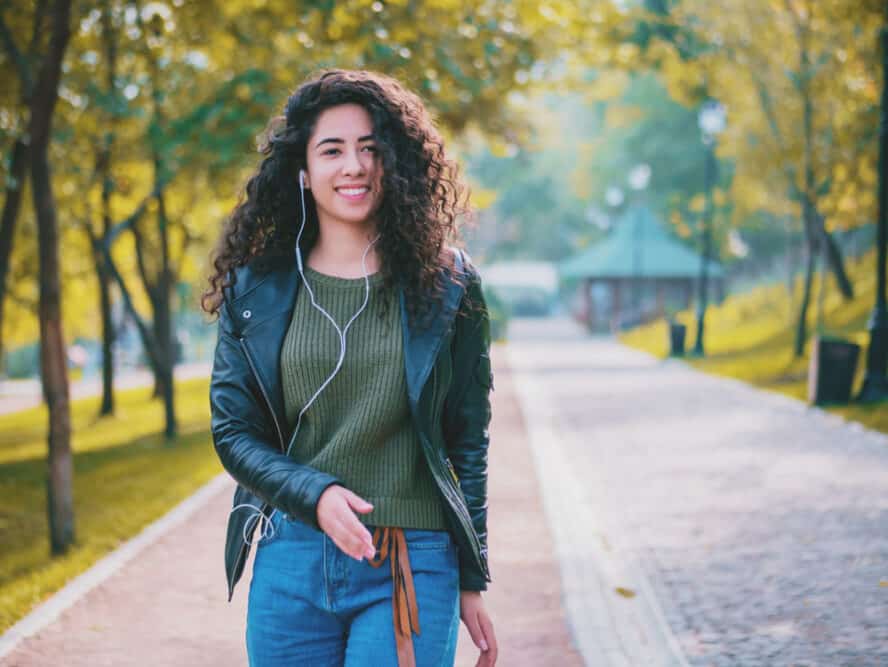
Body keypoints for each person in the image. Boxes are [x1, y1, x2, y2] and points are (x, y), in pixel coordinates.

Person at [202, 69, 497, 667]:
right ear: (304, 174)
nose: (354, 166)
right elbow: (233, 431)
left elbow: (468, 436)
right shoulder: (257, 287)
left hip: (410, 562)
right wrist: (316, 495)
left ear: (395, 164)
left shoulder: (448, 285)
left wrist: (471, 578)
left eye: (370, 149)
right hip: (291, 558)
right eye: (332, 150)